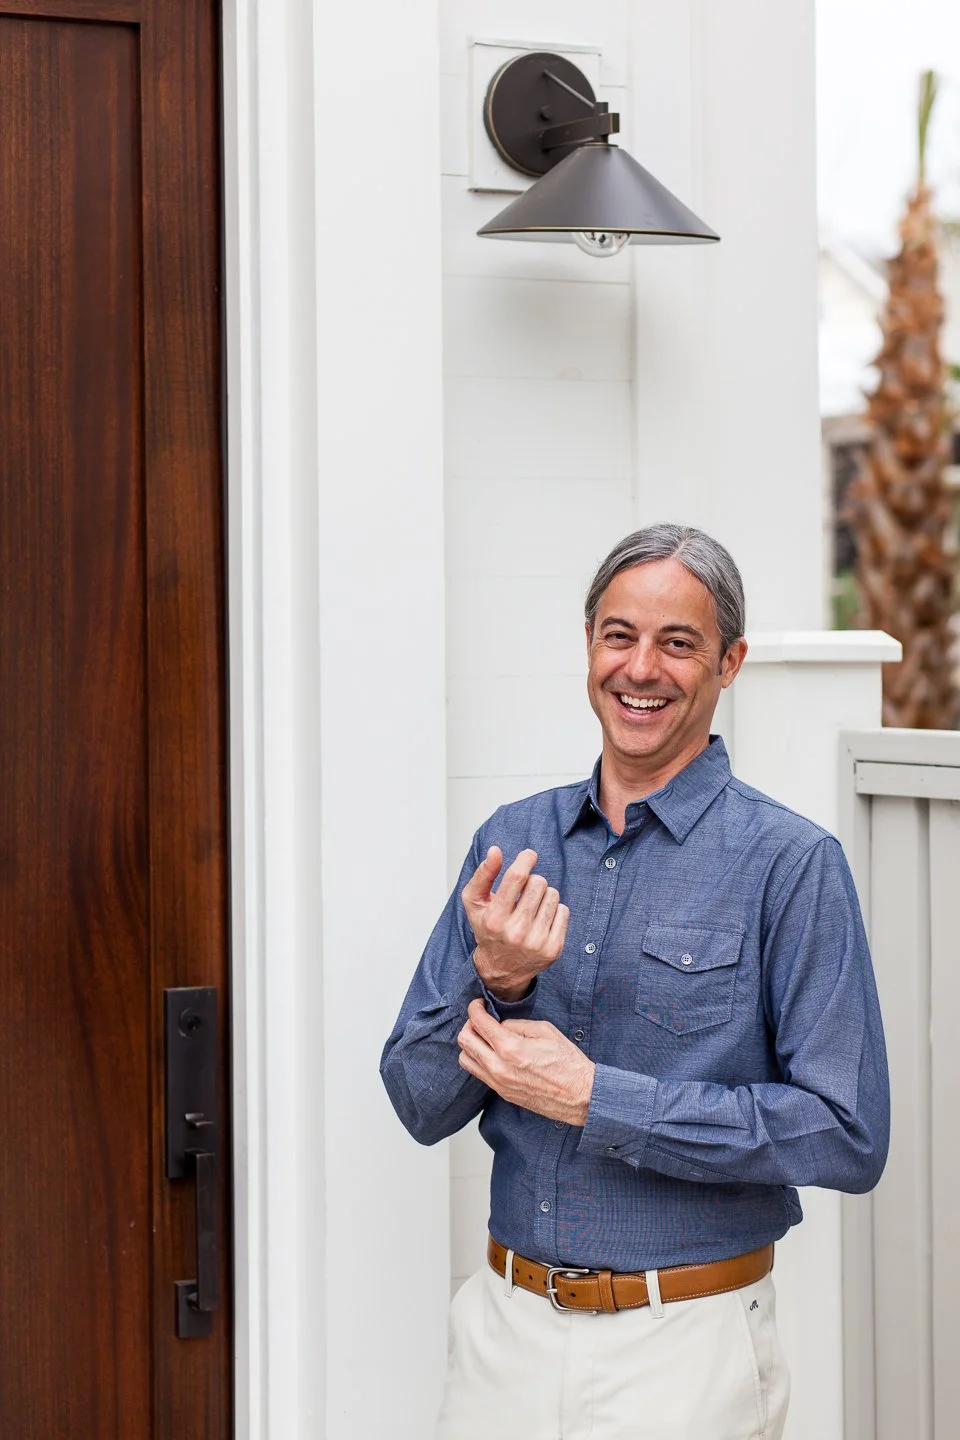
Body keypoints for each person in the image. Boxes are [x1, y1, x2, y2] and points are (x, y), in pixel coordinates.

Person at [380, 524, 889, 1440]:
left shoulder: (791, 863)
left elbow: (848, 1133)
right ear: (588, 646)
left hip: (686, 1350)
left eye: (678, 643)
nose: (641, 669)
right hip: (504, 1337)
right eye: (619, 636)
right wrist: (498, 986)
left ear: (728, 662)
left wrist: (597, 1100)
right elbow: (418, 1101)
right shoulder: (514, 840)